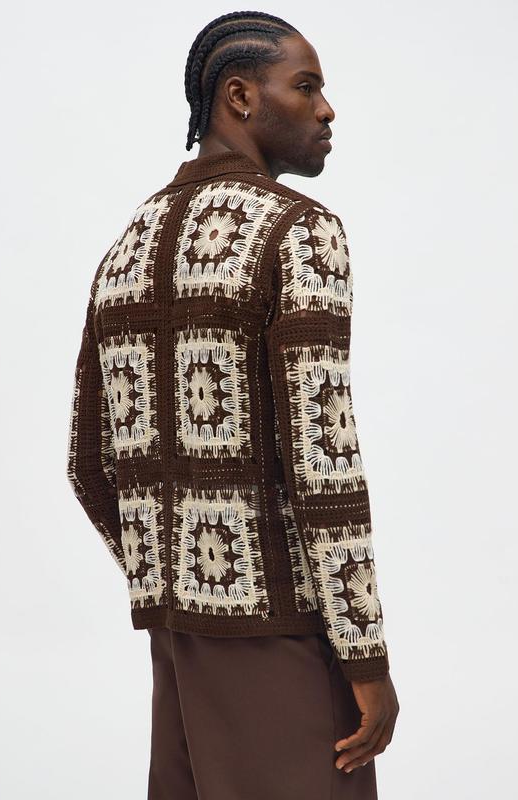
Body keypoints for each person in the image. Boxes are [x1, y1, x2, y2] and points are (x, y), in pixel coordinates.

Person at [66, 10, 400, 799]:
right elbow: (323, 466)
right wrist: (366, 659)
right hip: (286, 638)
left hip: (178, 646)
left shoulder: (129, 243)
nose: (327, 110)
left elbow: (89, 463)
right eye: (306, 87)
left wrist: (173, 576)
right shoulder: (300, 233)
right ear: (241, 97)